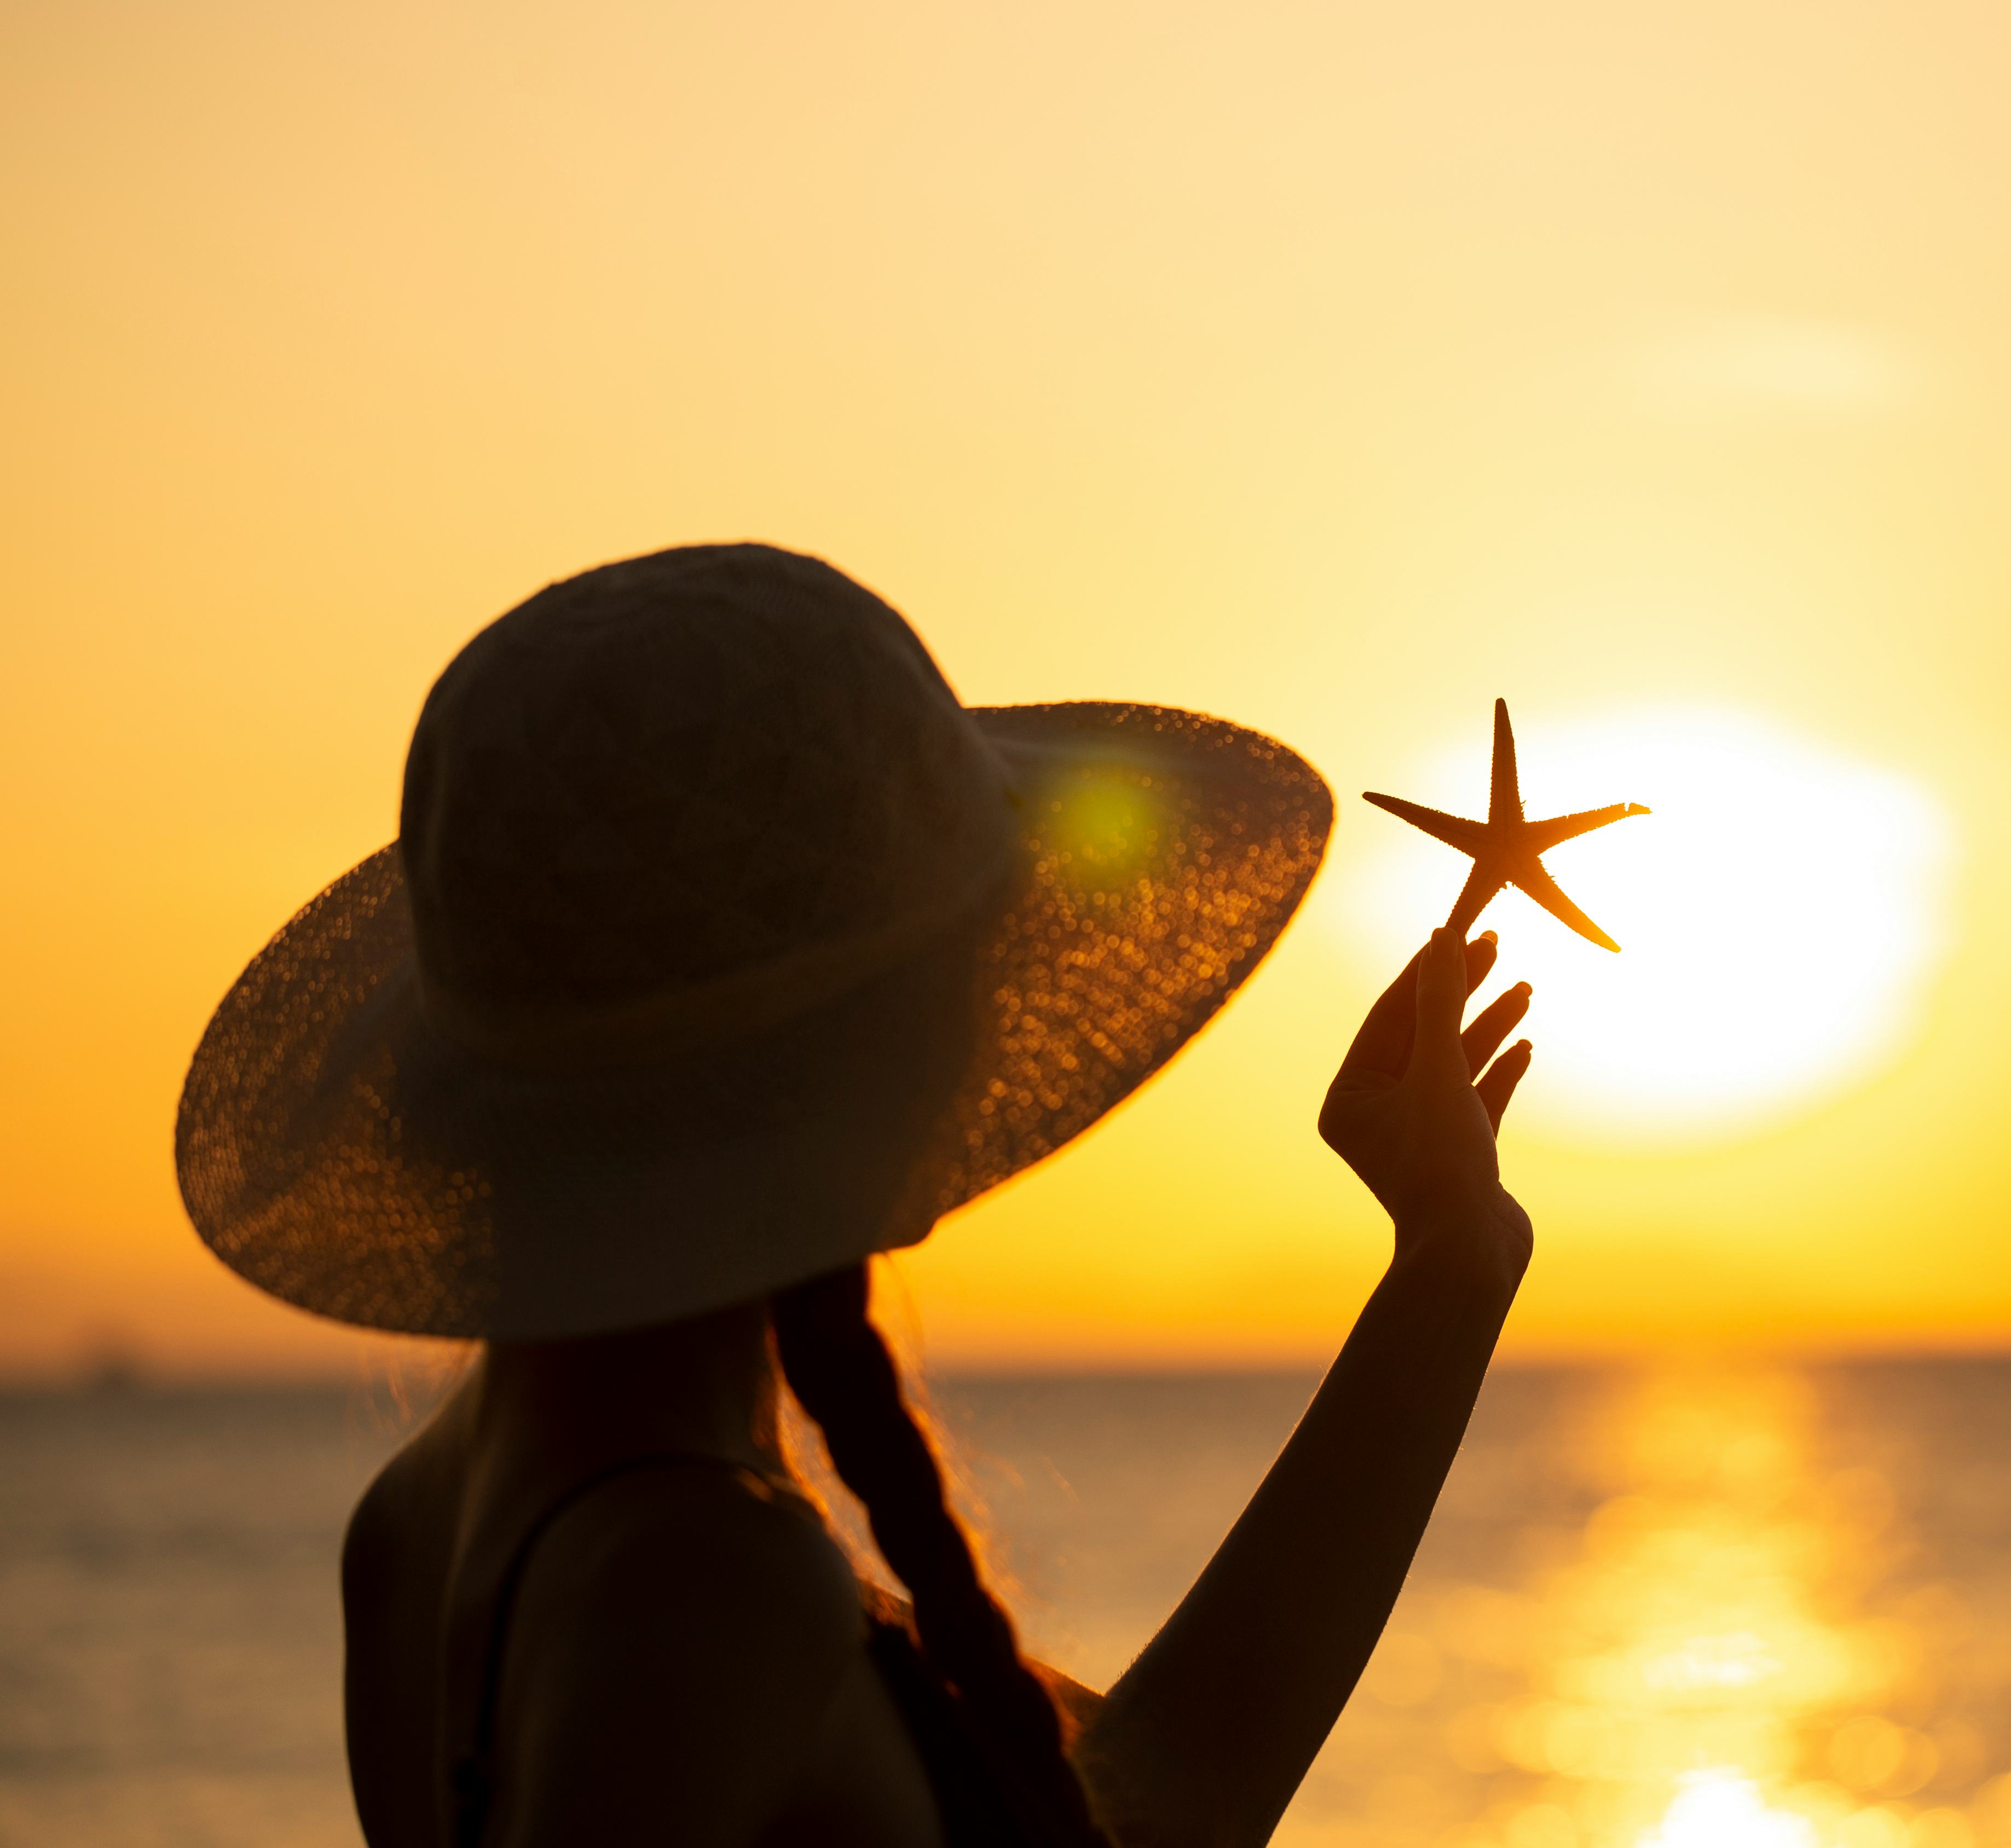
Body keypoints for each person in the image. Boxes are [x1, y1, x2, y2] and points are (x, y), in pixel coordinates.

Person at [174, 543, 1541, 1847]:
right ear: (855, 1067)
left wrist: (1448, 1264)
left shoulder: (437, 1517)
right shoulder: (712, 1582)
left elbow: (1143, 1803)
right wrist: (1451, 1262)